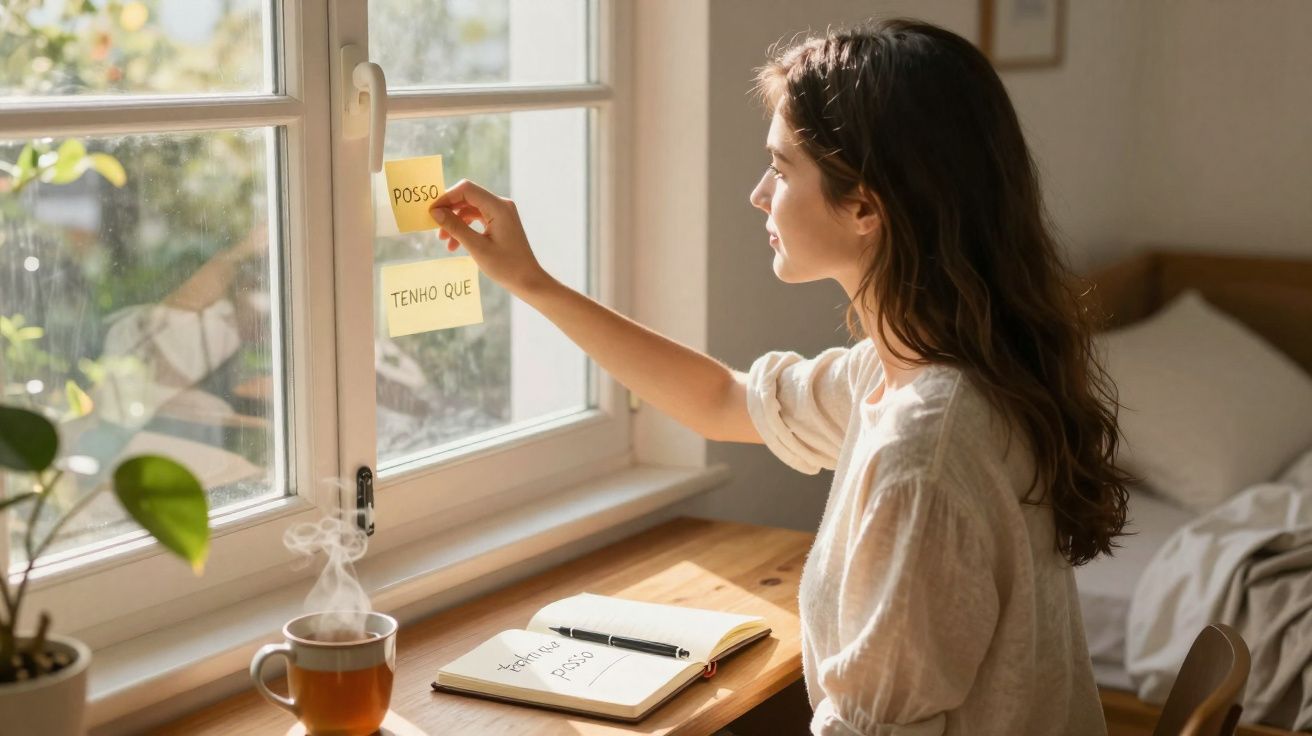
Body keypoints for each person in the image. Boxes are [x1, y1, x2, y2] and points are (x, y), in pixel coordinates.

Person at [428, 18, 1130, 736]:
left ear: (865, 206)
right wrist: (534, 284)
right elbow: (722, 400)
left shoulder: (924, 449)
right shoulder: (922, 370)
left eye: (782, 168)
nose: (759, 194)